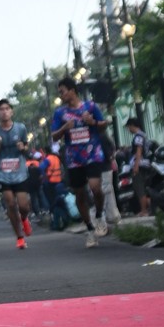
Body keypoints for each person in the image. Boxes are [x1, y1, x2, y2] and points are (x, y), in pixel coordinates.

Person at [51, 75, 110, 247]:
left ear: (72, 91)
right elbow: (54, 136)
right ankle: (90, 229)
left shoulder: (90, 106)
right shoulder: (60, 113)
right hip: (73, 158)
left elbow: (104, 124)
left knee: (95, 187)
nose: (61, 95)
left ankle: (99, 215)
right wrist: (64, 128)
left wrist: (92, 122)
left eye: (62, 91)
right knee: (80, 194)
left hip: (92, 153)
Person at [0, 98, 32, 249]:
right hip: (2, 173)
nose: (4, 112)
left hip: (20, 172)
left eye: (7, 109)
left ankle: (25, 218)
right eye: (1, 109)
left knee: (23, 206)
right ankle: (19, 237)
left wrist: (23, 148)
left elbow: (27, 151)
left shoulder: (20, 128)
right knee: (10, 203)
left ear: (12, 112)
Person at [128, 110, 152, 216]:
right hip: (145, 164)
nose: (128, 129)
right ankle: (149, 208)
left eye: (129, 127)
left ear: (132, 125)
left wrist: (136, 166)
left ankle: (144, 210)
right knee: (144, 188)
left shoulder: (138, 136)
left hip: (140, 164)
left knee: (140, 188)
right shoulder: (143, 135)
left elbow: (139, 151)